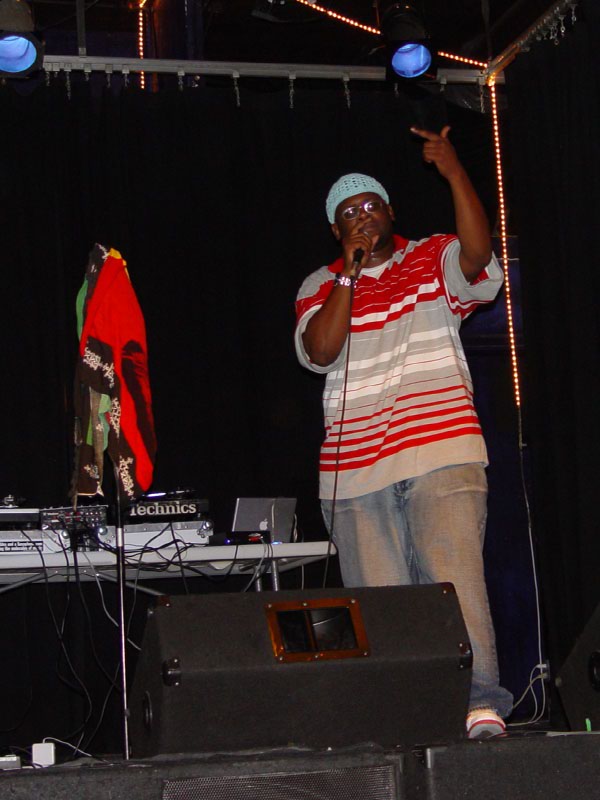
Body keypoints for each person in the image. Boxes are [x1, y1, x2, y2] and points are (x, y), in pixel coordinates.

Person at [294, 125, 513, 739]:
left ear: (391, 211)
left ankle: (479, 703)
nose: (363, 217)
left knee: (455, 583)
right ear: (336, 231)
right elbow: (320, 349)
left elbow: (477, 255)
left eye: (371, 206)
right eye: (349, 214)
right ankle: (406, 718)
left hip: (441, 451)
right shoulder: (319, 285)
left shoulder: (430, 256)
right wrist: (349, 274)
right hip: (356, 473)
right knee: (384, 610)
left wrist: (454, 171)